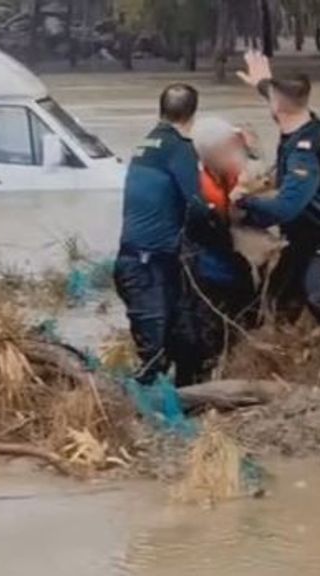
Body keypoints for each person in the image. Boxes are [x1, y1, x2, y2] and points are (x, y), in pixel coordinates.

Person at [235, 51, 320, 329]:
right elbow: (284, 104)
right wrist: (264, 85)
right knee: (273, 303)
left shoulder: (303, 153)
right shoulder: (306, 121)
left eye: (271, 98)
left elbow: (287, 207)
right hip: (300, 242)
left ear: (277, 104)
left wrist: (244, 203)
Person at [114, 83, 207, 386]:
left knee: (185, 341)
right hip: (147, 268)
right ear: (193, 114)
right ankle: (143, 418)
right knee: (154, 357)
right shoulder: (179, 149)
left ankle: (183, 405)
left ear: (161, 110)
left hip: (140, 263)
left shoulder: (146, 144)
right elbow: (197, 206)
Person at [174, 116, 261, 386]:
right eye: (230, 149)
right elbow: (217, 223)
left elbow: (254, 168)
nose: (236, 155)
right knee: (210, 329)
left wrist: (251, 148)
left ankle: (229, 367)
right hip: (207, 267)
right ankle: (203, 382)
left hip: (225, 260)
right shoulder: (202, 187)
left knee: (244, 310)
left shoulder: (221, 171)